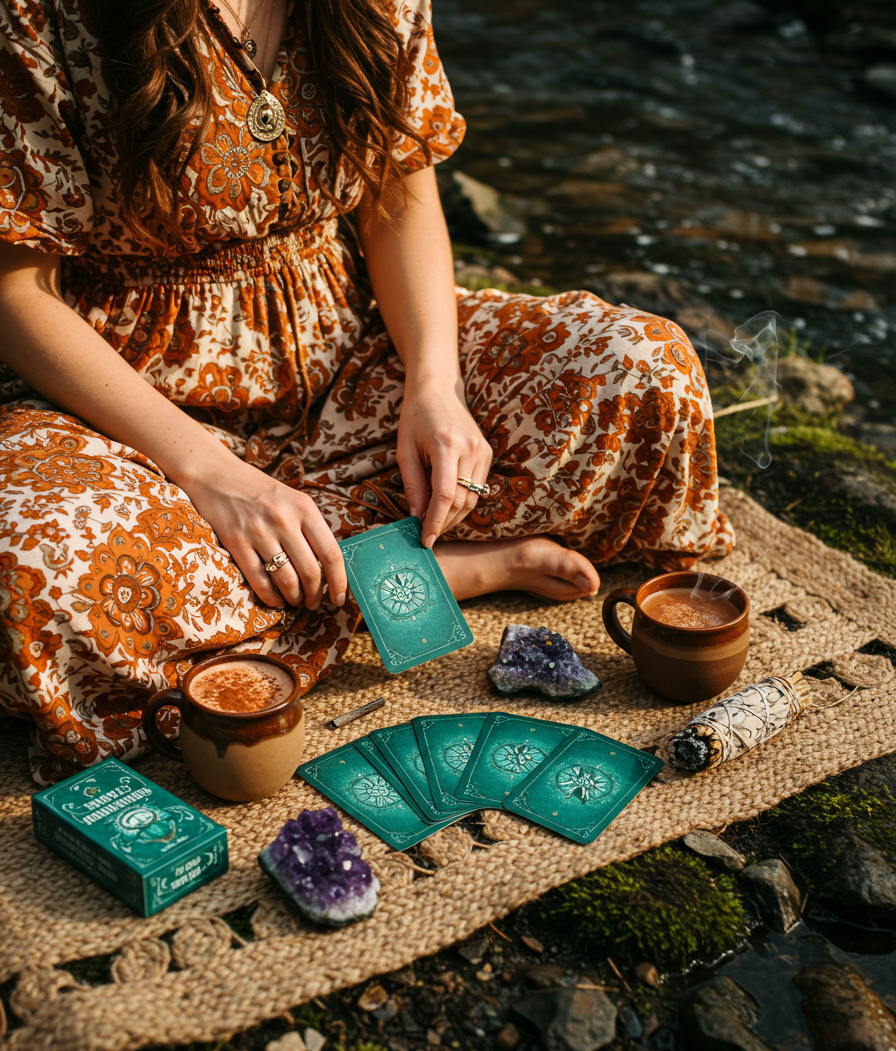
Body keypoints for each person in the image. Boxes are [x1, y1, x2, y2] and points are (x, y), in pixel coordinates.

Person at [0, 0, 733, 784]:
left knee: (643, 371)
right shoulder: (40, 15)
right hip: (120, 408)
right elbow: (17, 294)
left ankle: (310, 577)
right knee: (34, 568)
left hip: (353, 352)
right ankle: (446, 570)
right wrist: (206, 472)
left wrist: (435, 385)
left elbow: (401, 194)